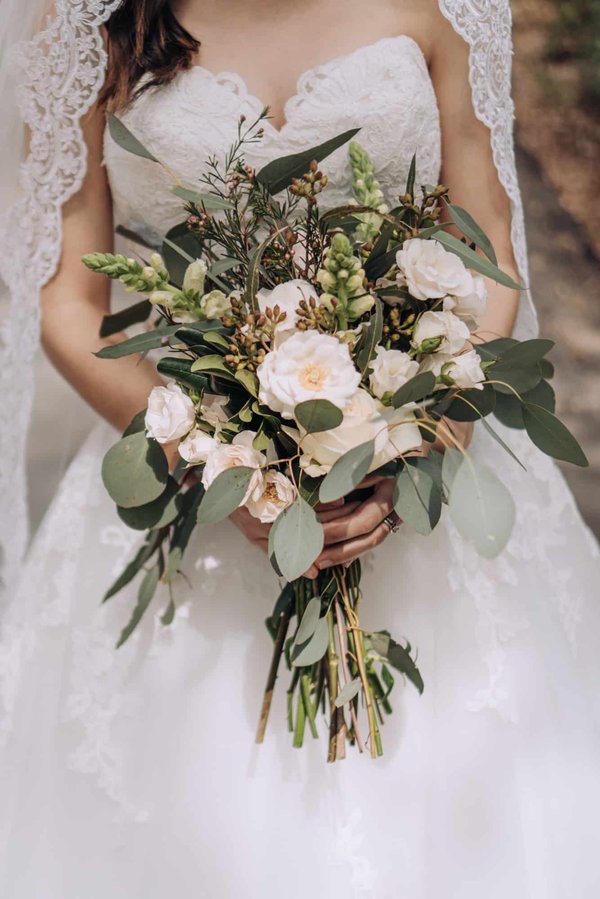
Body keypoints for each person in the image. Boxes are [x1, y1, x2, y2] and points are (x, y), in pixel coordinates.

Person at [0, 1, 599, 896]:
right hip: (191, 488)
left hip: (421, 469)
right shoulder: (89, 21)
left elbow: (488, 248)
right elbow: (67, 302)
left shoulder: (451, 5)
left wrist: (411, 431)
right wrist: (218, 460)